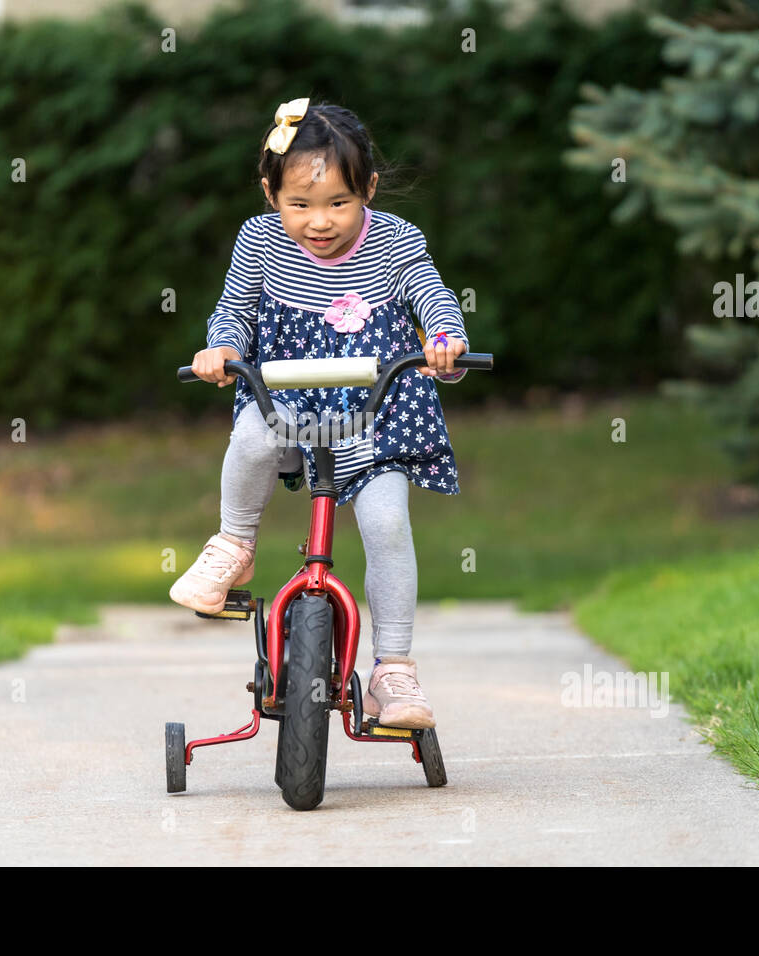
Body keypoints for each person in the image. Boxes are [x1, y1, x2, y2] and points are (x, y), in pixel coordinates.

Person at [170, 97, 470, 729]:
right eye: (298, 204)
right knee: (250, 436)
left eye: (339, 202)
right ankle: (235, 543)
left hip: (377, 407)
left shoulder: (394, 240)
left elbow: (430, 294)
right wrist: (220, 347)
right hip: (290, 398)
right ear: (269, 194)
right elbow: (234, 310)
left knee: (387, 525)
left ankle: (393, 668)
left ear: (369, 189)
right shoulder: (258, 242)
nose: (319, 221)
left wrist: (444, 337)